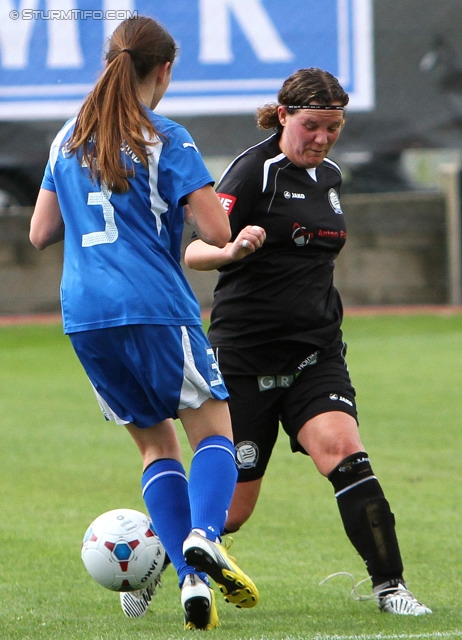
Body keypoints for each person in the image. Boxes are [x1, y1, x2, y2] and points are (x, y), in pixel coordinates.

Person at [29, 16, 258, 631]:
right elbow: (216, 230)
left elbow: (40, 232)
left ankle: (189, 583)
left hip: (85, 316)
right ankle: (204, 537)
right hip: (154, 305)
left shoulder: (65, 140)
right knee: (213, 432)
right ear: (163, 71)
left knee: (157, 446)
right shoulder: (165, 136)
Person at [183, 68, 432, 616]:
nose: (321, 139)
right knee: (232, 512)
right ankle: (149, 561)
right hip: (245, 360)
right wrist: (232, 251)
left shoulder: (332, 178)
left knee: (346, 453)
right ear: (283, 116)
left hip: (315, 355)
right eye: (312, 126)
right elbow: (193, 252)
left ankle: (390, 587)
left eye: (333, 128)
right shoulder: (253, 172)